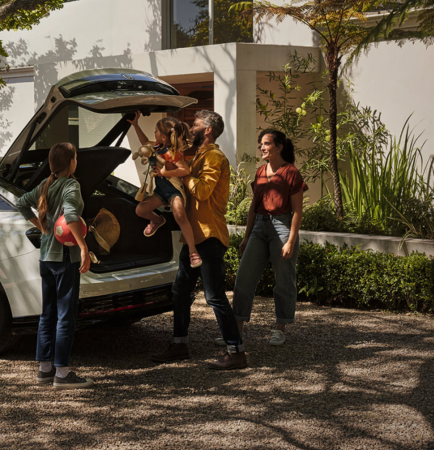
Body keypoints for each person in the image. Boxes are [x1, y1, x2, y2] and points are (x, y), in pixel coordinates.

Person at [150, 110, 247, 370]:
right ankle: (179, 344)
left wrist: (181, 175)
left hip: (210, 236)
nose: (190, 128)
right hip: (195, 236)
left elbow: (202, 191)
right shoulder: (198, 155)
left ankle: (236, 352)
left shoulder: (214, 157)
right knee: (180, 292)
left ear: (208, 130)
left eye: (195, 124)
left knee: (214, 296)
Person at [15, 142, 94, 389]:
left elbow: (20, 203)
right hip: (64, 260)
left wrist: (43, 229)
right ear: (71, 163)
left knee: (47, 314)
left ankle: (44, 370)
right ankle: (62, 374)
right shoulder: (72, 185)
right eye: (77, 158)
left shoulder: (44, 185)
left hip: (46, 259)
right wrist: (83, 248)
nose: (77, 162)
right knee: (65, 316)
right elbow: (71, 215)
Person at [219, 129, 307, 347]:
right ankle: (235, 331)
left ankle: (280, 328)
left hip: (283, 225)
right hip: (259, 226)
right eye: (261, 144)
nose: (262, 148)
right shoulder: (259, 173)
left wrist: (290, 241)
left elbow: (297, 211)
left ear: (279, 147)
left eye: (266, 143)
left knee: (284, 280)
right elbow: (252, 207)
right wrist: (246, 237)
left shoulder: (291, 173)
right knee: (243, 279)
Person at [128, 113, 202, 268]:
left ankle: (193, 252)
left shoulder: (173, 153)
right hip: (161, 191)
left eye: (156, 131)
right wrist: (135, 125)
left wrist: (164, 173)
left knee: (180, 216)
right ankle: (158, 220)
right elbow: (144, 142)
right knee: (140, 210)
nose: (154, 134)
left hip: (174, 190)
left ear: (163, 136)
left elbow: (185, 170)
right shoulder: (156, 147)